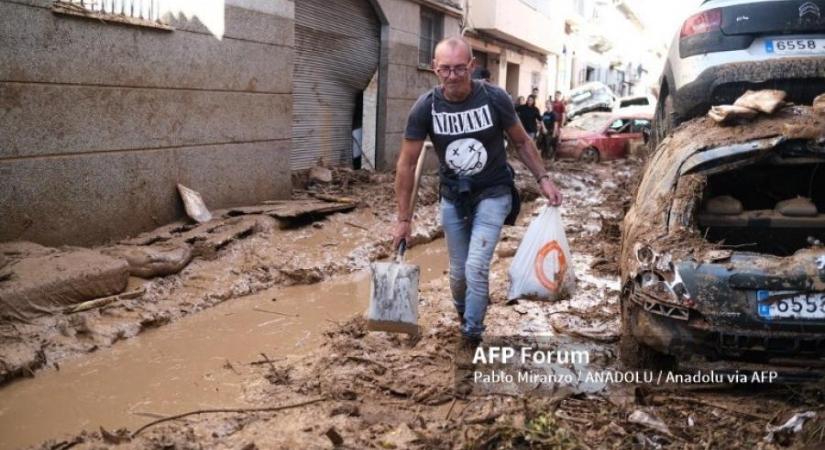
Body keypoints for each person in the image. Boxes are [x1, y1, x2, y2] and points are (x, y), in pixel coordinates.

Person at [393, 36, 563, 368]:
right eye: (446, 69)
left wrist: (543, 178)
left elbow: (521, 141)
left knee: (475, 266)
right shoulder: (425, 107)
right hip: (454, 196)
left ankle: (472, 335)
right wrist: (403, 219)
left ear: (471, 66)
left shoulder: (494, 98)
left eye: (460, 68)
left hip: (494, 192)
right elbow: (406, 164)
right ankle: (465, 315)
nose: (453, 75)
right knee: (458, 273)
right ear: (435, 68)